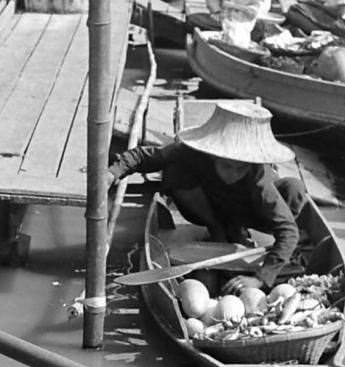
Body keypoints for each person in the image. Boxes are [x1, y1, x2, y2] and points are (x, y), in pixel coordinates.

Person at [108, 101, 305, 288]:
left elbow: (288, 230)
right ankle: (218, 228)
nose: (233, 174)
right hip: (208, 208)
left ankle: (245, 235)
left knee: (294, 188)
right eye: (227, 166)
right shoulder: (190, 153)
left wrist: (262, 278)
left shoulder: (258, 176)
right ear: (213, 155)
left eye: (241, 169)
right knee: (174, 170)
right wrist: (112, 173)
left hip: (248, 212)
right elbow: (144, 157)